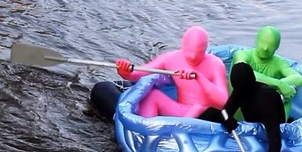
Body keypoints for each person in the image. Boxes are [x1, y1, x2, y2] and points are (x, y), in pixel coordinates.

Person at [90, 26, 228, 119]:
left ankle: (179, 132)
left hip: (203, 111)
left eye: (198, 52)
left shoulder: (215, 64)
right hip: (180, 108)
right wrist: (125, 72)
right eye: (189, 52)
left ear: (205, 48)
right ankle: (146, 131)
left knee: (198, 107)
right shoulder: (172, 58)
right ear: (183, 45)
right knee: (153, 96)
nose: (192, 57)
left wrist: (200, 78)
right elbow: (142, 73)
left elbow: (222, 102)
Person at [198, 62, 286, 152]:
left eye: (240, 88)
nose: (238, 92)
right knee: (211, 112)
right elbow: (226, 112)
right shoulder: (240, 91)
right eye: (236, 88)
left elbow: (275, 140)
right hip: (250, 132)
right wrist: (227, 119)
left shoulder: (266, 98)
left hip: (267, 134)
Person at [230, 26, 302, 119]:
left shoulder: (279, 62)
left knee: (288, 92)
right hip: (240, 109)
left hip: (264, 108)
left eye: (271, 44)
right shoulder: (242, 54)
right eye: (262, 42)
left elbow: (299, 78)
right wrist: (278, 84)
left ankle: (282, 127)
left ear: (277, 46)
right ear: (256, 40)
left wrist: (283, 88)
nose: (265, 48)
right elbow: (244, 75)